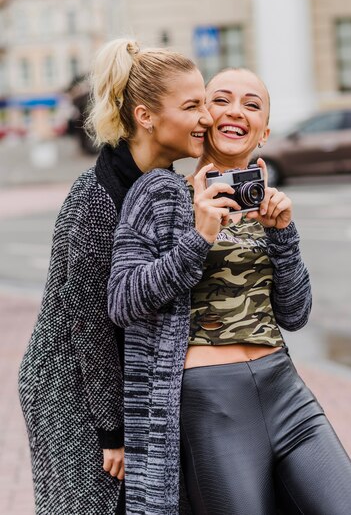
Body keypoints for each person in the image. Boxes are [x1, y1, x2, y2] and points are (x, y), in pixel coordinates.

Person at [108, 67, 351, 515]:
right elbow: (122, 301)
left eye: (251, 105)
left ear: (264, 132)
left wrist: (283, 235)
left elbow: (294, 314)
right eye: (221, 100)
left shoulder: (266, 205)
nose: (236, 112)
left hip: (284, 390)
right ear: (203, 116)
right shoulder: (160, 192)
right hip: (211, 400)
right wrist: (198, 237)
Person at [18, 38, 212, 515]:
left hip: (118, 390)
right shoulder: (97, 198)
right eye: (192, 106)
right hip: (74, 393)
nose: (206, 117)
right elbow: (89, 324)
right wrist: (113, 430)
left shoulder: (168, 186)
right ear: (145, 117)